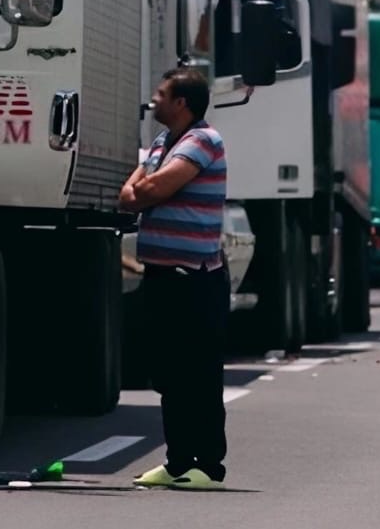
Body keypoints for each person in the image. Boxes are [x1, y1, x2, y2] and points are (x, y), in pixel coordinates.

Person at [120, 67, 229, 490]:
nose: (155, 101)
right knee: (168, 374)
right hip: (162, 275)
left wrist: (142, 187)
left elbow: (145, 192)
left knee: (198, 373)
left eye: (162, 95)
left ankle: (209, 466)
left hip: (195, 280)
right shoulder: (164, 143)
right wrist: (142, 187)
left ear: (182, 103)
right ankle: (178, 461)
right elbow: (129, 196)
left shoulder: (202, 140)